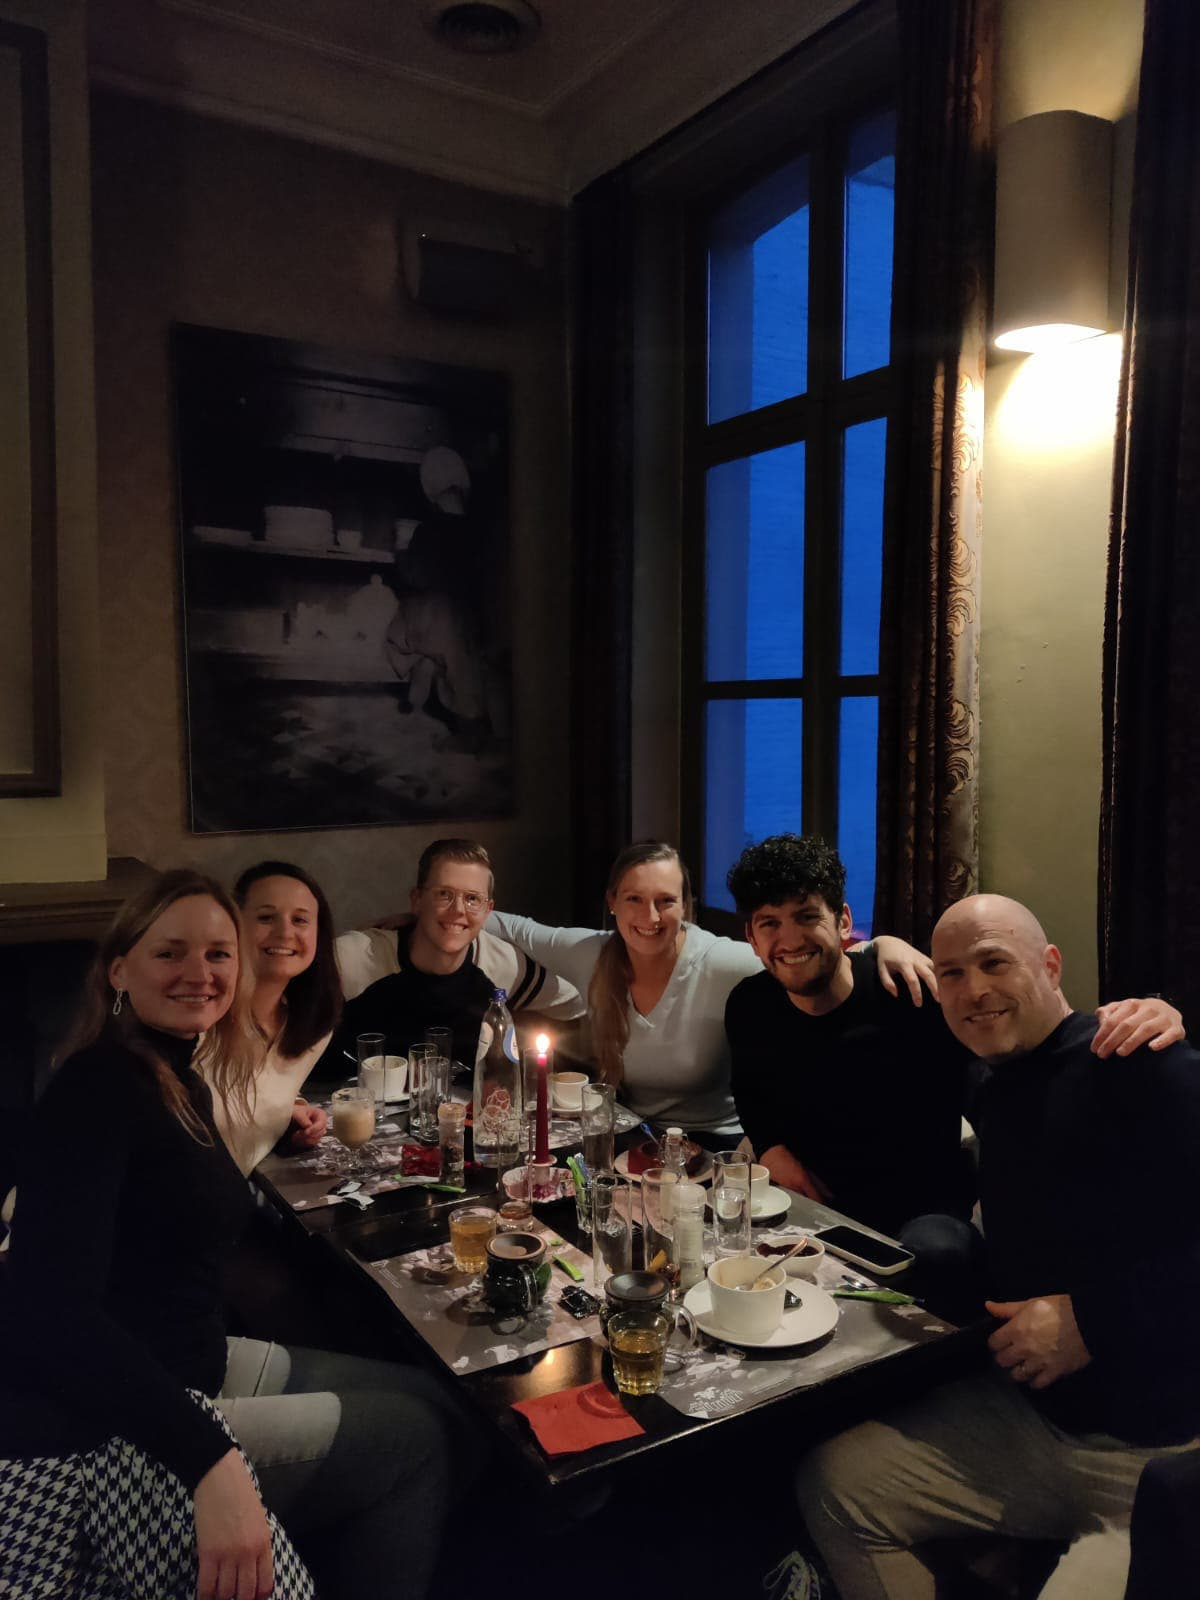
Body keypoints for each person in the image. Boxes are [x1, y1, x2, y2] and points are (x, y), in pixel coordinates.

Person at [0, 869, 450, 1600]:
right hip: (127, 1412)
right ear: (119, 970)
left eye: (217, 954)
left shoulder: (176, 1073)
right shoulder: (99, 1083)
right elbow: (46, 1313)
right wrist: (211, 1458)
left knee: (433, 1398)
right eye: (169, 953)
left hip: (191, 1353)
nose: (199, 973)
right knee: (416, 1438)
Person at [795, 894, 1200, 1599]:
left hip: (1159, 1459)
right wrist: (880, 944)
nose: (973, 990)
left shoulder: (1142, 1064)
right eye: (952, 973)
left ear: (1051, 965)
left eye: (994, 963)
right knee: (834, 1484)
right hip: (1033, 1423)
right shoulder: (991, 1079)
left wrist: (1092, 1321)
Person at [724, 836, 1182, 1254]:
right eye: (770, 923)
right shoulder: (749, 1005)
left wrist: (1151, 1011)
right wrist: (771, 1148)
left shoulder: (912, 994)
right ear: (752, 938)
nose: (790, 939)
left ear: (843, 921)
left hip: (920, 1216)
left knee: (937, 1253)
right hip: (806, 1209)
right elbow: (750, 1094)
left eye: (807, 917)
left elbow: (1024, 1048)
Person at [488, 840, 934, 1139]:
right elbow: (509, 926)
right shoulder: (589, 952)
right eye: (634, 899)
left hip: (717, 1146)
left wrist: (883, 944)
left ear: (687, 906)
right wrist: (452, 915)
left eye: (666, 900)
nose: (650, 916)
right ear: (612, 903)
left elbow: (802, 955)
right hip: (635, 1139)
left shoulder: (722, 962)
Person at [324, 837, 584, 1074]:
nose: (458, 910)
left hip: (463, 1107)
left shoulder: (503, 964)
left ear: (488, 910)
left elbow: (578, 1001)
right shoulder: (352, 957)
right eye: (444, 894)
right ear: (417, 900)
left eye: (472, 899)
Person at [207, 860, 342, 1175]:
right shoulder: (202, 1016)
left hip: (239, 1194)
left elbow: (259, 1091)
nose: (284, 932)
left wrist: (291, 1112)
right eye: (266, 917)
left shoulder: (311, 1028)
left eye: (300, 920)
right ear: (234, 925)